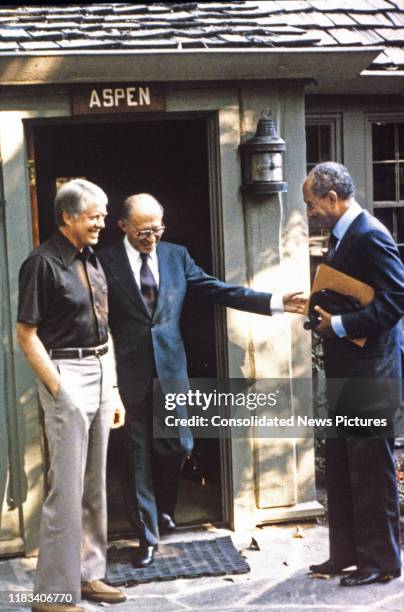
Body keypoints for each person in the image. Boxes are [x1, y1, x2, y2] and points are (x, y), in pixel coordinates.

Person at [97, 193, 305, 568]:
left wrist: (273, 301)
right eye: (144, 231)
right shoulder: (104, 261)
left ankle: (163, 508)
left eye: (158, 228)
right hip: (127, 376)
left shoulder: (176, 256)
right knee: (135, 457)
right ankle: (146, 537)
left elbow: (216, 288)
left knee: (177, 445)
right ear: (123, 226)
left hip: (172, 373)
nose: (153, 238)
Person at [16, 179, 126, 612]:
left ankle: (89, 574)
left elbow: (106, 328)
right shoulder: (41, 264)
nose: (102, 222)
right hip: (65, 372)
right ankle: (53, 595)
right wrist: (59, 389)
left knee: (95, 482)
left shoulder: (91, 259)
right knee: (66, 487)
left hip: (100, 369)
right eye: (94, 215)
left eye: (102, 214)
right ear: (66, 217)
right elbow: (26, 335)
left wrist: (113, 388)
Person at [303, 162, 403, 587]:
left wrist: (340, 326)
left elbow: (396, 301)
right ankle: (346, 552)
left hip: (371, 369)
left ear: (332, 198)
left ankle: (382, 562)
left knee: (369, 469)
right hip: (351, 367)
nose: (310, 213)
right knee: (345, 465)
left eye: (312, 205)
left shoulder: (370, 234)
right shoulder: (344, 234)